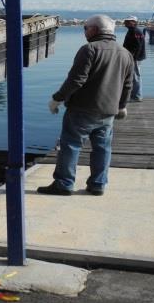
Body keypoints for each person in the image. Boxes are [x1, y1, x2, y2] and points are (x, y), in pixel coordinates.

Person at [39, 14, 133, 197]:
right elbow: (128, 84)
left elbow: (76, 80)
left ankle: (64, 183)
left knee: (71, 145)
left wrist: (57, 99)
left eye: (85, 28)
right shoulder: (125, 53)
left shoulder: (89, 50)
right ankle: (98, 184)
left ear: (95, 30)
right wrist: (122, 106)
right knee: (103, 148)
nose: (84, 32)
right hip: (108, 112)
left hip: (82, 109)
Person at [122, 16, 146, 102]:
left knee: (135, 76)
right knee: (133, 76)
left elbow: (137, 45)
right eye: (126, 21)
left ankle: (137, 96)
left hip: (135, 58)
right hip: (133, 57)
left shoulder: (135, 31)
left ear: (134, 22)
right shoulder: (132, 31)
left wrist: (133, 57)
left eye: (128, 21)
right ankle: (133, 95)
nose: (125, 22)